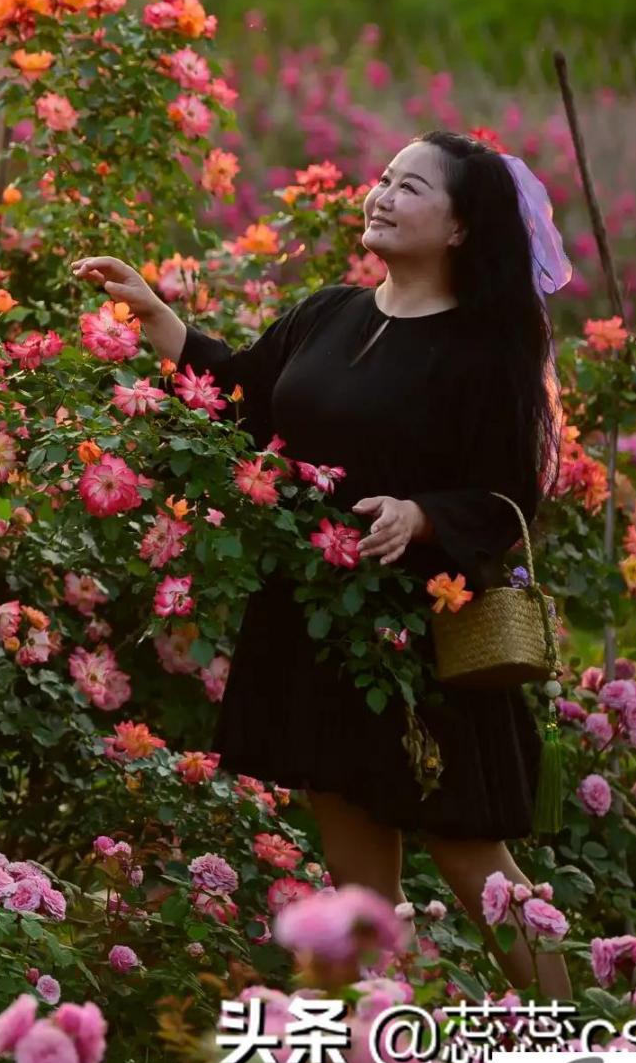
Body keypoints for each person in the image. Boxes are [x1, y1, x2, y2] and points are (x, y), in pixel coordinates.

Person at [71, 128, 575, 998]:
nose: (380, 194)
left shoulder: (483, 351)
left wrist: (422, 516)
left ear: (459, 227)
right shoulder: (328, 313)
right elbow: (243, 398)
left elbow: (507, 502)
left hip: (417, 643)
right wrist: (158, 318)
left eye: (409, 187)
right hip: (316, 624)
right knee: (355, 891)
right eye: (381, 178)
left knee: (477, 869)